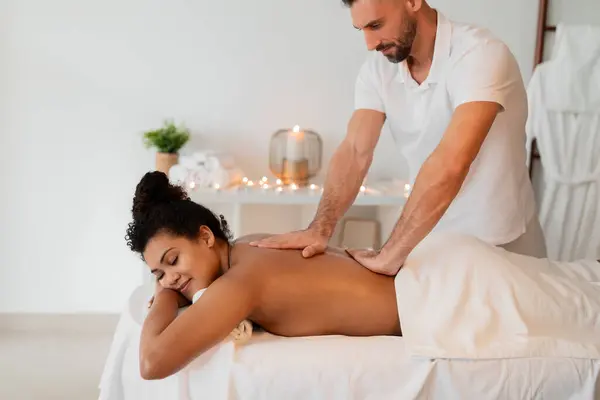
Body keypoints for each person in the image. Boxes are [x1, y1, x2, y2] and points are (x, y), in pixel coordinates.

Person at [250, 0, 547, 275]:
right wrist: (319, 228)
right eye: (361, 29)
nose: (369, 44)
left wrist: (390, 254)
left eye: (376, 25)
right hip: (428, 241)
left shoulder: (479, 54)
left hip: (499, 245)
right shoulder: (377, 71)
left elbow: (451, 163)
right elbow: (355, 151)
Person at [126, 172, 401, 380]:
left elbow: (152, 364)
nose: (171, 279)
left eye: (173, 260)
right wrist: (169, 284)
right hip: (409, 279)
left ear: (206, 236)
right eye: (159, 274)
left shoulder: (239, 284)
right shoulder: (250, 244)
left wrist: (163, 296)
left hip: (421, 307)